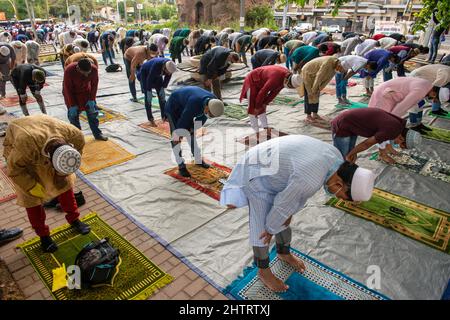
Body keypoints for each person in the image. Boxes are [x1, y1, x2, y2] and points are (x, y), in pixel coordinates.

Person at [220, 135, 376, 292]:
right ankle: (263, 271)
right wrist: (270, 229)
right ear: (339, 184)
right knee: (262, 231)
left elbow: (288, 204)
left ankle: (283, 253)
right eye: (342, 197)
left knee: (282, 221)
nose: (338, 198)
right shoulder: (310, 179)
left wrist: (281, 220)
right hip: (257, 172)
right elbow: (282, 206)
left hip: (273, 163)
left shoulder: (337, 158)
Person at [3, 115, 90, 252]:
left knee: (66, 187)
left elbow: (77, 151)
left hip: (43, 137)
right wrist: (32, 186)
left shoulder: (75, 134)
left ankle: (75, 220)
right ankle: (44, 236)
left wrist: (61, 174)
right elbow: (14, 171)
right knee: (32, 201)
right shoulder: (25, 146)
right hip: (25, 159)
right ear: (49, 158)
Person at [165, 86, 224, 177]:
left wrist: (193, 129)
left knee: (191, 135)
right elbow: (184, 119)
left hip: (186, 106)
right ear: (207, 108)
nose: (210, 117)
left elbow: (203, 117)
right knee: (176, 139)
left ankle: (198, 159)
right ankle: (181, 166)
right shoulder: (194, 103)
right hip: (174, 108)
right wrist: (178, 134)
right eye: (210, 115)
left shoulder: (213, 102)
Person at [331, 108, 422, 164]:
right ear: (402, 138)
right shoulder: (392, 130)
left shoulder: (399, 126)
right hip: (342, 125)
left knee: (349, 155)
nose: (397, 144)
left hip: (351, 125)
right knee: (342, 157)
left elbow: (382, 138)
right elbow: (366, 144)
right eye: (400, 144)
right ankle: (336, 181)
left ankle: (346, 173)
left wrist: (353, 153)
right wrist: (351, 154)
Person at [240, 66, 302, 132]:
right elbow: (263, 92)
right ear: (287, 81)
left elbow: (274, 92)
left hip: (262, 82)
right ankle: (255, 131)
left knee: (262, 106)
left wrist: (265, 103)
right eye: (290, 87)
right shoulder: (275, 78)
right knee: (252, 107)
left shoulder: (286, 77)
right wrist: (257, 107)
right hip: (252, 80)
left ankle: (265, 127)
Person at [368, 77, 438, 133]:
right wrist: (392, 122)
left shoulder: (429, 85)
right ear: (434, 93)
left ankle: (382, 131)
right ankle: (377, 133)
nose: (433, 100)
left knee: (387, 118)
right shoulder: (420, 91)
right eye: (435, 99)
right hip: (384, 93)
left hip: (392, 92)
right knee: (382, 117)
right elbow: (402, 107)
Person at [63, 59, 107, 141]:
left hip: (86, 93)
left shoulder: (93, 69)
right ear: (78, 69)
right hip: (72, 94)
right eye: (84, 73)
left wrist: (92, 99)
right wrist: (72, 105)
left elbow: (94, 84)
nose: (87, 75)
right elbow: (67, 89)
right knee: (73, 116)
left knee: (92, 113)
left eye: (88, 73)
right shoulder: (69, 71)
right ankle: (78, 138)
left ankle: (97, 134)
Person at [301, 56, 345, 123]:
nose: (338, 70)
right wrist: (313, 89)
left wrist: (319, 88)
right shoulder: (328, 63)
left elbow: (327, 79)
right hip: (307, 73)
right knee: (309, 95)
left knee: (316, 94)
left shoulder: (335, 67)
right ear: (339, 65)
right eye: (339, 69)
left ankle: (315, 114)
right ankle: (308, 116)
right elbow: (319, 76)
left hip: (315, 75)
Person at [138, 58, 177, 126]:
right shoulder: (157, 65)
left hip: (157, 75)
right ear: (165, 68)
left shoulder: (170, 65)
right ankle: (151, 119)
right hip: (145, 74)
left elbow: (167, 78)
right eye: (167, 72)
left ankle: (164, 116)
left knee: (162, 98)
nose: (168, 74)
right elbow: (149, 79)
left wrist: (163, 87)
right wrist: (148, 90)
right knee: (148, 99)